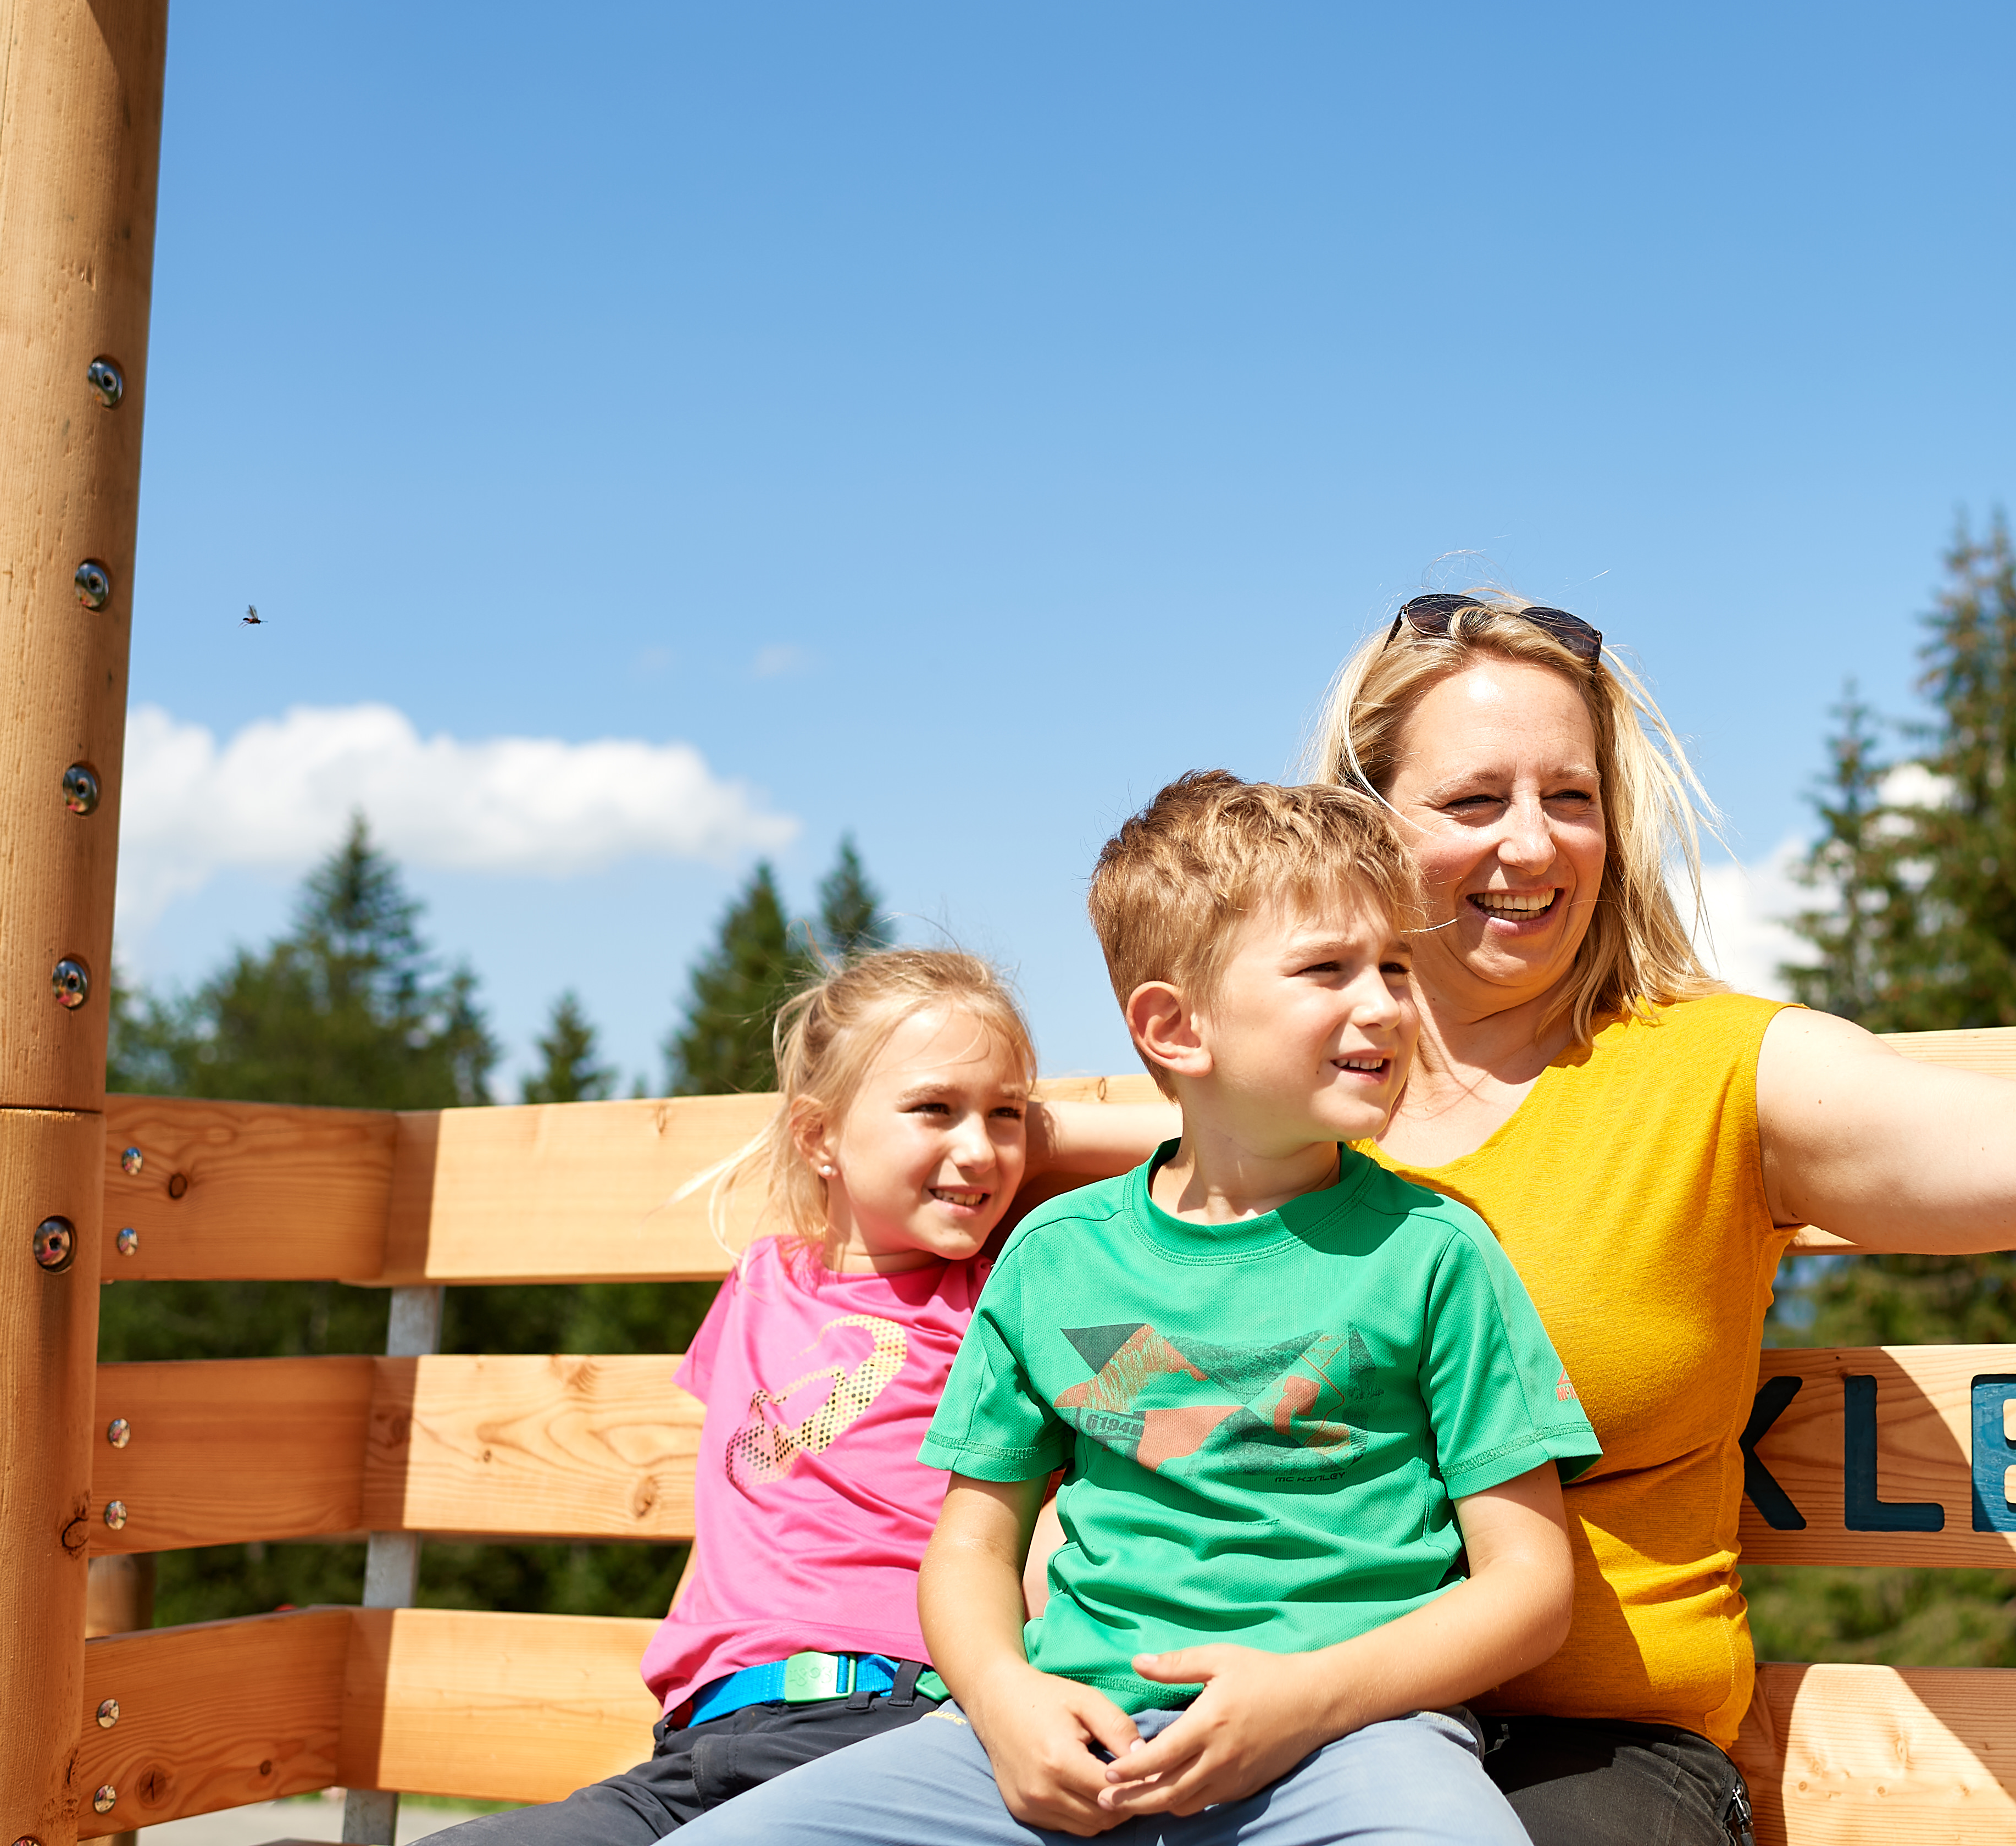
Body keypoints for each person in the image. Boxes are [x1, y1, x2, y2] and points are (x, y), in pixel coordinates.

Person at [1292, 589, 2016, 1845]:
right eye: (1475, 802)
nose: (1531, 846)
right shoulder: (1274, 1103)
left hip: (1601, 1767)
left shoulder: (1717, 1075)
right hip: (1306, 1730)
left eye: (1571, 798)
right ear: (1363, 824)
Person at [666, 772, 1603, 1846]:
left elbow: (1530, 1587)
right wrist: (1007, 1699)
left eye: (1395, 964)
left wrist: (1316, 1696)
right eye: (1328, 968)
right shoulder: (1054, 1259)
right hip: (1075, 1733)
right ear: (1174, 1025)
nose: (1387, 1000)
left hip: (1353, 1742)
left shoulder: (1436, 1254)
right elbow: (970, 1547)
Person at [442, 947, 1070, 1844]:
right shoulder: (762, 1282)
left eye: (1006, 1114)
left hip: (888, 1727)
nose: (978, 1149)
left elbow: (1193, 1146)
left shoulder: (1002, 1295)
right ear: (819, 1138)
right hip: (697, 1750)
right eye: (934, 1107)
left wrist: (1038, 1139)